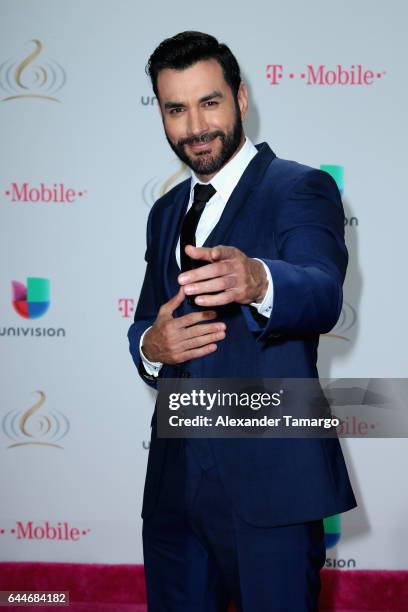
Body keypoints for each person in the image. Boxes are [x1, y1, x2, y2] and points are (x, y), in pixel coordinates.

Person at [128, 31, 357, 612]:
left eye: (210, 102)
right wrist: (153, 346)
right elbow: (144, 324)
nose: (194, 126)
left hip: (271, 483)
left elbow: (322, 290)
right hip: (175, 489)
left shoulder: (300, 187)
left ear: (242, 99)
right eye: (175, 109)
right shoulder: (164, 212)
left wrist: (259, 279)